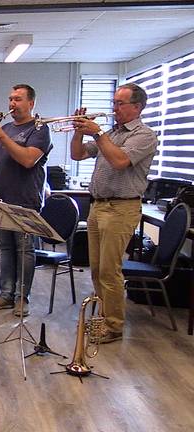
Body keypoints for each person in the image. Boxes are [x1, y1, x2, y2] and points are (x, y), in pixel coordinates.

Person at [70, 83, 158, 343]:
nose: (114, 108)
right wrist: (77, 131)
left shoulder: (144, 135)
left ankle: (114, 325)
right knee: (97, 269)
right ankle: (103, 317)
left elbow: (120, 162)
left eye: (120, 103)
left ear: (137, 107)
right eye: (114, 102)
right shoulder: (113, 132)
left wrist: (97, 134)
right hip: (99, 206)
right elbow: (77, 154)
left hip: (121, 207)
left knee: (110, 270)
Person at [0, 84, 53, 317]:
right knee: (5, 248)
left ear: (31, 103)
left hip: (25, 199)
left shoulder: (40, 129)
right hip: (0, 198)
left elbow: (28, 160)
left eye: (18, 99)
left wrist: (2, 137)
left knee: (24, 250)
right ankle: (6, 294)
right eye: (10, 99)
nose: (12, 104)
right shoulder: (6, 127)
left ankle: (22, 297)